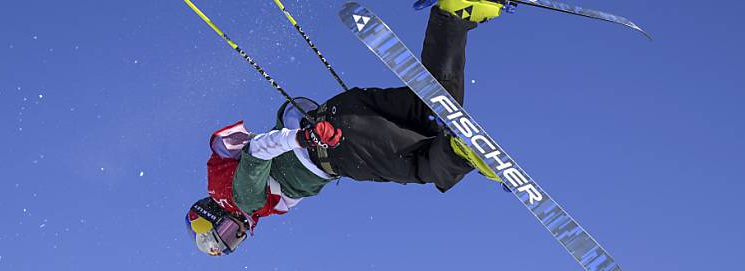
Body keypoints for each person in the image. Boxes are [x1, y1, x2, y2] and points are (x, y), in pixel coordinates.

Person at [186, 0, 507, 256]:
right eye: (234, 244)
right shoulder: (247, 195)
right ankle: (455, 13)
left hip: (337, 147)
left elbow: (256, 153)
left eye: (227, 233)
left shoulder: (240, 199)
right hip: (342, 111)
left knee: (422, 164)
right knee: (433, 108)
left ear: (216, 213)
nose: (239, 234)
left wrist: (301, 137)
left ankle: (462, 153)